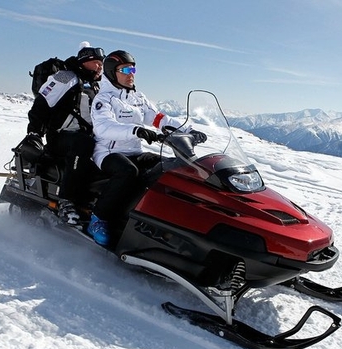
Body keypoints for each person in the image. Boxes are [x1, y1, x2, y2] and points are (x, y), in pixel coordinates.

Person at [88, 50, 206, 245]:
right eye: (125, 69)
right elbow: (104, 128)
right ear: (111, 72)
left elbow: (159, 119)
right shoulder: (104, 99)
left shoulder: (138, 98)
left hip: (134, 151)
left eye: (133, 68)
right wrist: (136, 131)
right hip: (108, 152)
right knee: (128, 172)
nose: (131, 73)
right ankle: (98, 218)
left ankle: (152, 215)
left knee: (168, 166)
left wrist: (189, 130)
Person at [23, 41, 105, 228]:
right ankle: (66, 201)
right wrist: (34, 132)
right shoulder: (65, 78)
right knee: (83, 144)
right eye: (96, 62)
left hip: (84, 137)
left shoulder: (94, 85)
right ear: (84, 61)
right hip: (60, 137)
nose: (100, 66)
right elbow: (41, 104)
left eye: (101, 63)